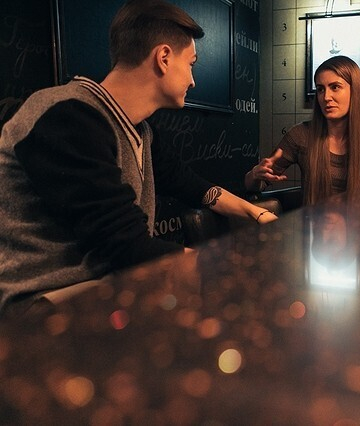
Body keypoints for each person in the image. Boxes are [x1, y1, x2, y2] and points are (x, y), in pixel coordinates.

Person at [0, 0, 277, 314]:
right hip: (40, 308)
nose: (193, 80)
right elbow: (124, 245)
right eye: (191, 64)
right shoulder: (66, 115)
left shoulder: (140, 130)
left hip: (104, 292)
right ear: (163, 58)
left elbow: (193, 186)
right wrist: (239, 265)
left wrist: (257, 215)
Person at [245, 55, 360, 205]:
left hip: (356, 220)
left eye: (335, 87)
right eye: (320, 89)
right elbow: (253, 185)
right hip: (312, 220)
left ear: (355, 91)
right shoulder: (300, 135)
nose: (326, 97)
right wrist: (255, 175)